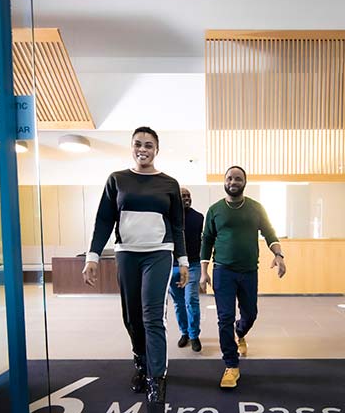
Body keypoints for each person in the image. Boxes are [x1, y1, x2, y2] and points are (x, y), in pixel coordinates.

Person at [82, 126, 188, 413]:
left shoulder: (169, 184)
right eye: (138, 144)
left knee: (154, 316)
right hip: (127, 254)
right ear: (132, 147)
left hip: (159, 254)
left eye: (149, 145)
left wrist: (183, 261)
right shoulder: (117, 180)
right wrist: (92, 256)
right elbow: (104, 220)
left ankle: (157, 379)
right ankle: (141, 360)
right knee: (132, 317)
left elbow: (177, 226)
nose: (143, 149)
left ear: (157, 149)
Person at [199, 166, 287, 389]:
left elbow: (270, 233)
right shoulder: (215, 210)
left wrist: (278, 254)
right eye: (230, 178)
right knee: (224, 317)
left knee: (251, 313)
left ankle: (240, 332)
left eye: (238, 178)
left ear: (245, 182)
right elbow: (207, 240)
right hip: (223, 271)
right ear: (224, 181)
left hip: (248, 271)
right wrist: (203, 272)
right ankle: (231, 365)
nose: (233, 181)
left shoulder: (256, 208)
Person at [169, 187, 204, 352]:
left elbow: (204, 241)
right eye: (183, 196)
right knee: (178, 302)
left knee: (191, 300)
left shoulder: (199, 218)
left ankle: (194, 335)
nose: (186, 198)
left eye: (188, 195)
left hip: (193, 265)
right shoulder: (168, 218)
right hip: (173, 265)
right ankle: (184, 332)